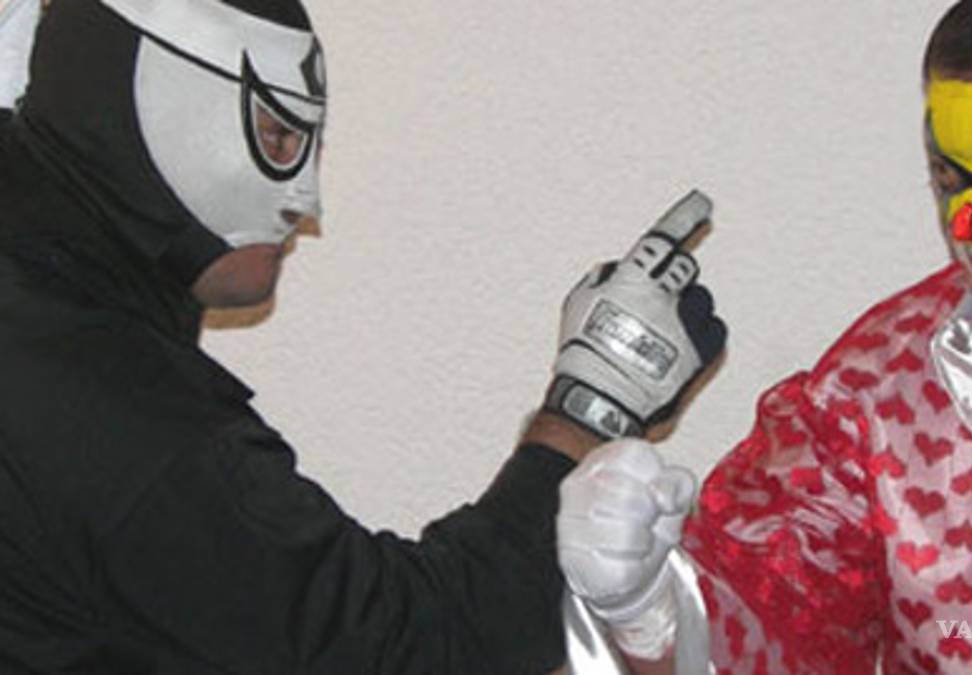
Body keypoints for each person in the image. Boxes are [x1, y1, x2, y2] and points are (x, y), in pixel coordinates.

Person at [0, 0, 727, 673]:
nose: (305, 202)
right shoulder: (107, 403)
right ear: (147, 104)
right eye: (279, 133)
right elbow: (405, 647)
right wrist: (589, 410)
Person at [559, 0, 972, 672]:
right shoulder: (887, 385)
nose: (970, 227)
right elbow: (772, 614)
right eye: (949, 180)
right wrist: (653, 611)